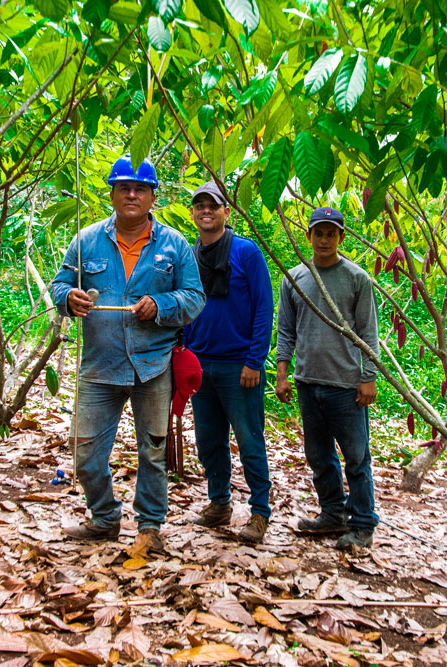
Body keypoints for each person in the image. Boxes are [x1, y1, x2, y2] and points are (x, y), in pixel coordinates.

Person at [50, 155, 205, 550]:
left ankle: (150, 528)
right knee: (84, 455)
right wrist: (69, 297)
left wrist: (162, 305)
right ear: (113, 194)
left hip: (152, 366)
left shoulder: (175, 245)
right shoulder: (85, 241)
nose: (132, 194)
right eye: (124, 187)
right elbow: (59, 284)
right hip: (99, 366)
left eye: (140, 188)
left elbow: (194, 298)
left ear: (153, 196)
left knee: (153, 451)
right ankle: (104, 517)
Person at [274, 207, 380, 550]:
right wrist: (283, 373)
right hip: (308, 382)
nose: (323, 240)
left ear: (341, 238)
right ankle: (332, 514)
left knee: (356, 457)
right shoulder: (294, 278)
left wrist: (368, 377)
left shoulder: (356, 278)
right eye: (318, 233)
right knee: (319, 456)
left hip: (346, 385)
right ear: (308, 237)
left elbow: (368, 331)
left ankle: (363, 523)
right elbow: (286, 330)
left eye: (330, 233)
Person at [182, 182, 274, 543]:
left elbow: (264, 308)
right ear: (193, 213)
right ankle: (219, 503)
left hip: (240, 367)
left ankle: (259, 513)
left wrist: (255, 359)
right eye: (200, 206)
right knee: (209, 440)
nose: (206, 211)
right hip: (200, 365)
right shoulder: (189, 256)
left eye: (213, 205)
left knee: (250, 439)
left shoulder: (246, 253)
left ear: (226, 212)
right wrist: (184, 358)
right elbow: (187, 308)